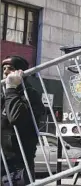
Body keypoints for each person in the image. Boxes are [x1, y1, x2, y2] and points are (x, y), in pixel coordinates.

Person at [1, 56, 44, 185]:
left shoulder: (30, 94)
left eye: (11, 68)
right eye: (4, 69)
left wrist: (12, 88)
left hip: (18, 165)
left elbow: (15, 117)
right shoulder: (4, 94)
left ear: (21, 73)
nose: (6, 72)